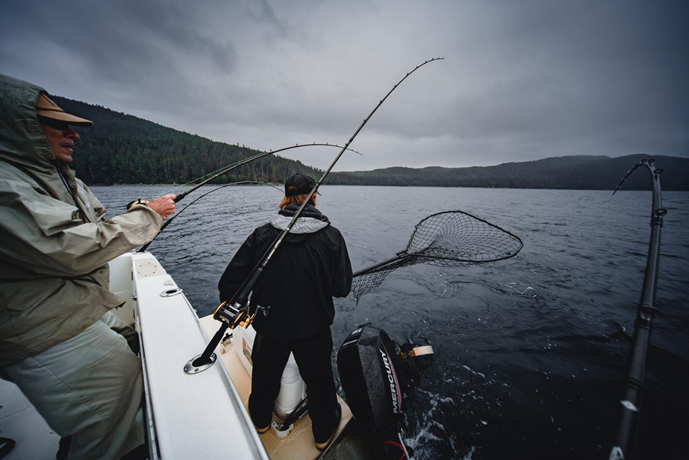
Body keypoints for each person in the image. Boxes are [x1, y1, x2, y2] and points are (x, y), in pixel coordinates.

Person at [0, 73, 176, 459]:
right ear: (17, 128)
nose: (72, 134)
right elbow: (65, 246)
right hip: (41, 326)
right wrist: (148, 216)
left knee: (133, 355)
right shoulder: (7, 181)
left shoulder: (57, 177)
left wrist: (136, 214)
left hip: (73, 305)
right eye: (57, 124)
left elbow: (88, 230)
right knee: (110, 421)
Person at [218, 173, 352, 450]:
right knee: (320, 382)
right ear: (313, 197)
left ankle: (261, 420)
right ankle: (323, 432)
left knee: (265, 376)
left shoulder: (263, 234)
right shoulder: (332, 237)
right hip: (313, 327)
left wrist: (236, 305)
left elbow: (230, 282)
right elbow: (341, 288)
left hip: (270, 323)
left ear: (286, 196)